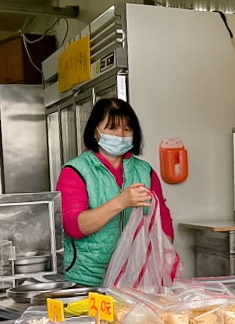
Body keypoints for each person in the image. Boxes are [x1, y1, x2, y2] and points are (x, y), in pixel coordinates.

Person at [57, 98, 174, 286]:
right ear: (95, 131)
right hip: (87, 281)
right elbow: (74, 226)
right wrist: (121, 202)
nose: (121, 135)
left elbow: (163, 219)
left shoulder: (144, 170)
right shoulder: (75, 171)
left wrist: (162, 255)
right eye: (112, 128)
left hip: (135, 280)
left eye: (127, 130)